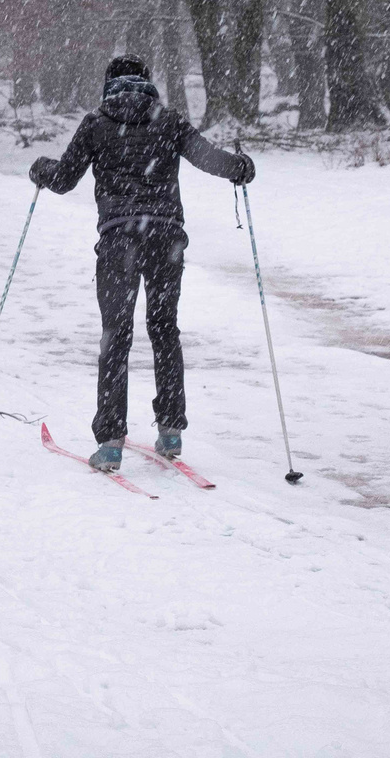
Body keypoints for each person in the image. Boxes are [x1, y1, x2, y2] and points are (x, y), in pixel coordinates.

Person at [28, 55, 255, 471]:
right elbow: (207, 158)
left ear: (109, 84)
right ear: (147, 84)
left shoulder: (97, 123)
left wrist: (41, 169)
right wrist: (239, 168)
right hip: (165, 238)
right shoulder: (167, 120)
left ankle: (111, 440)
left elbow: (63, 180)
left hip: (119, 239)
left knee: (116, 334)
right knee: (164, 327)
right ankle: (170, 429)